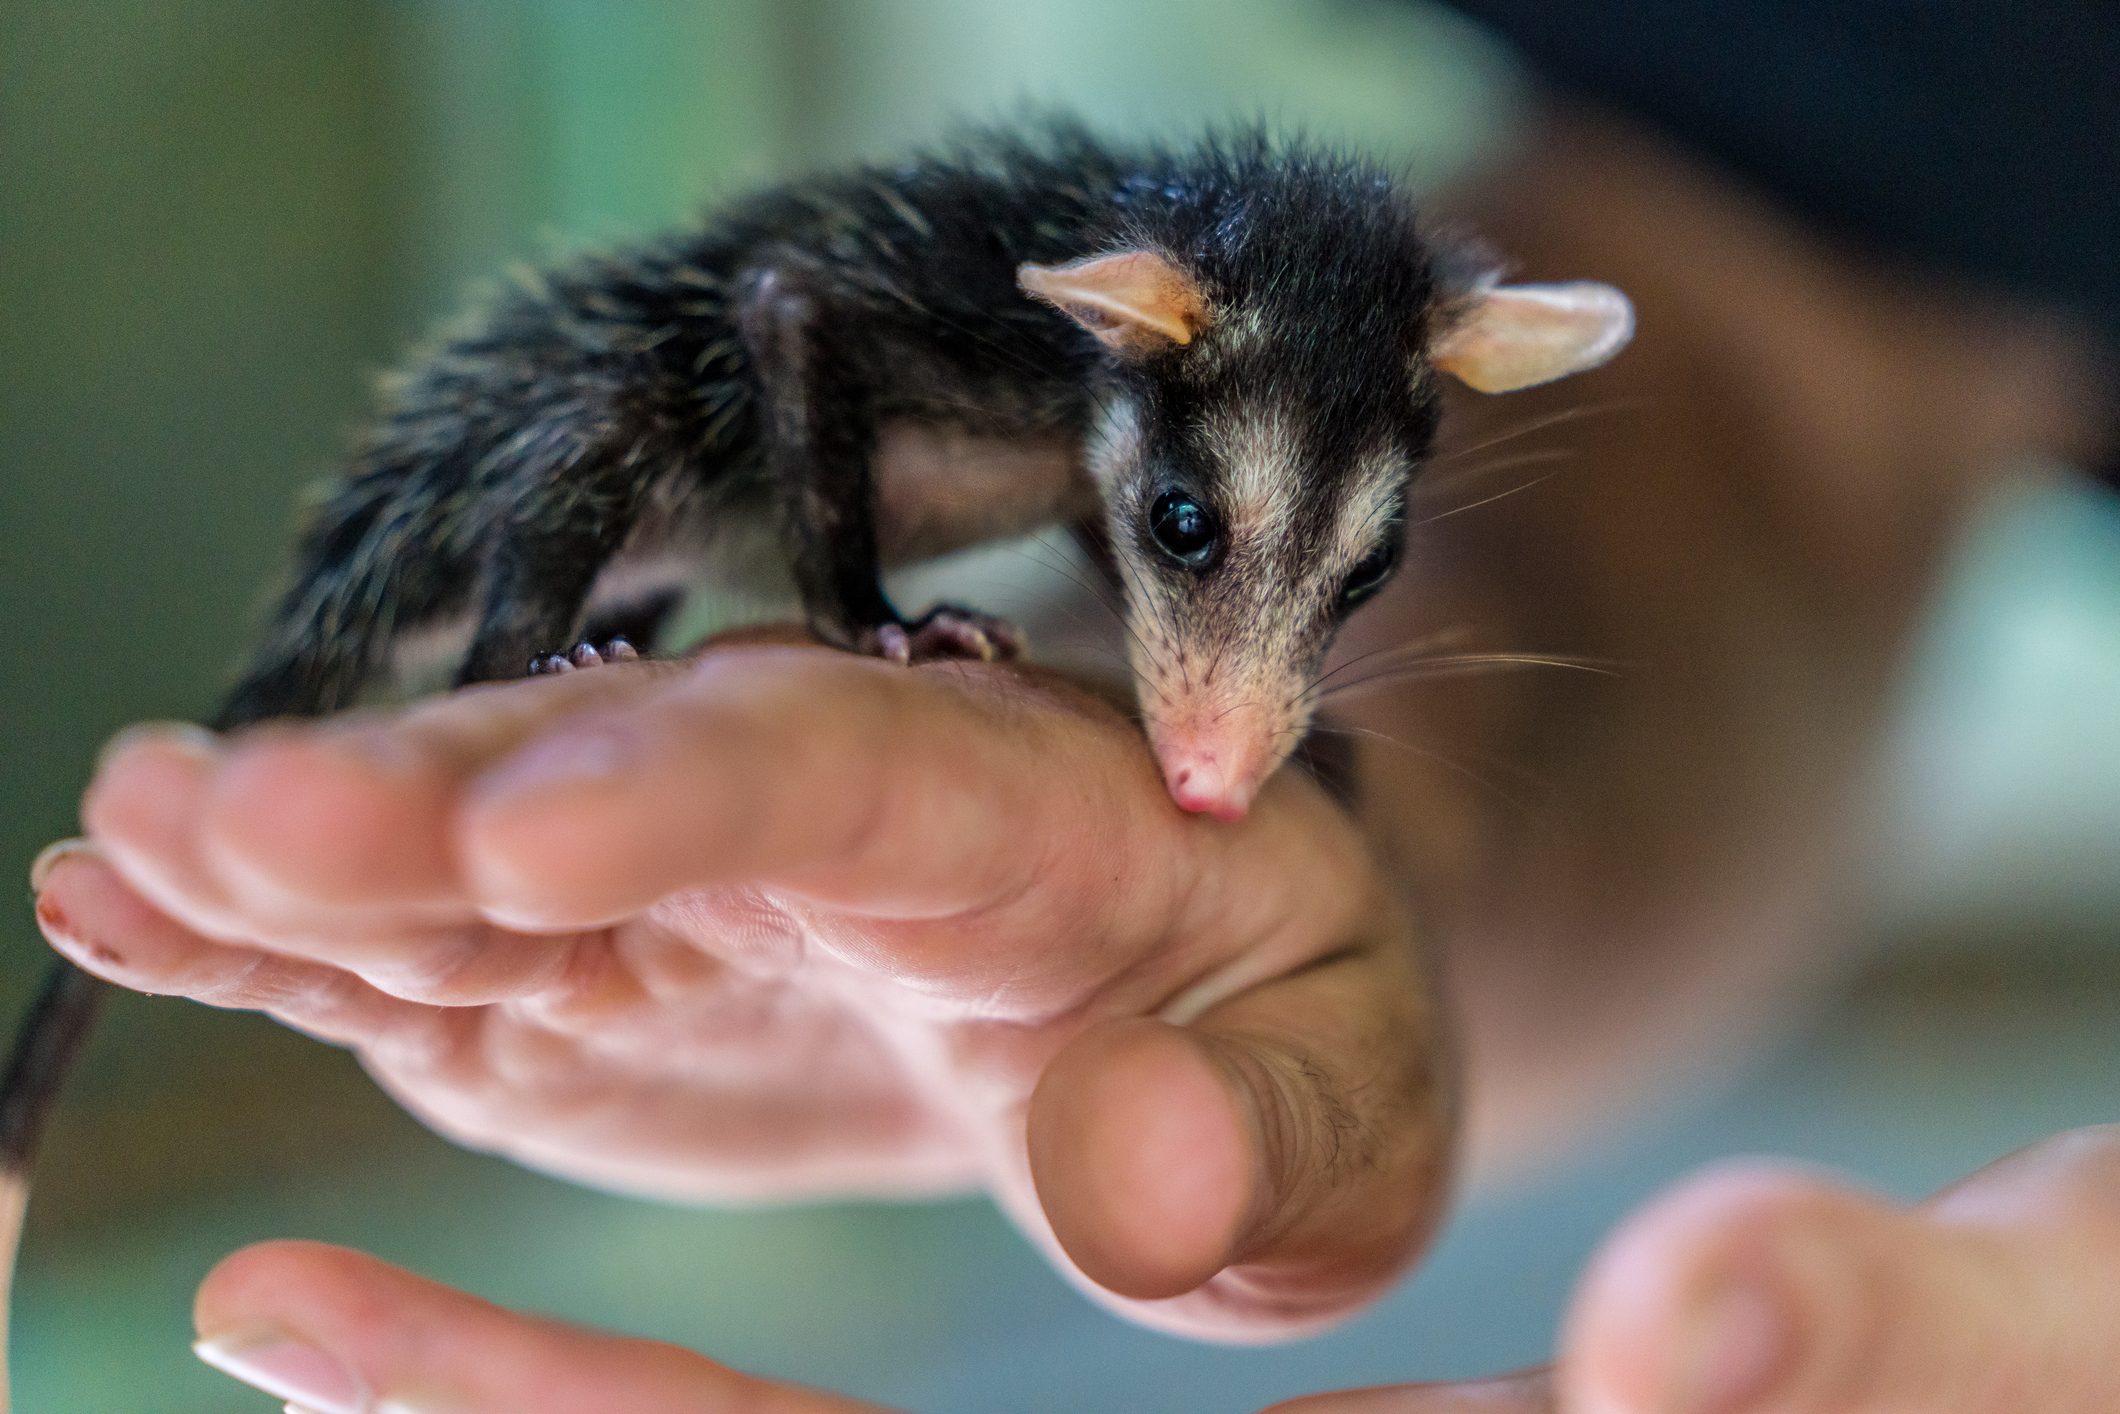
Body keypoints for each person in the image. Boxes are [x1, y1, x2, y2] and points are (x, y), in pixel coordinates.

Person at [29, 92, 2119, 1414]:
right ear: (1121, 329)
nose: (1236, 706)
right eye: (1192, 537)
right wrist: (1361, 882)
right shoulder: (1081, 336)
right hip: (578, 468)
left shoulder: (1141, 358)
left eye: (1343, 581)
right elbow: (1794, 333)